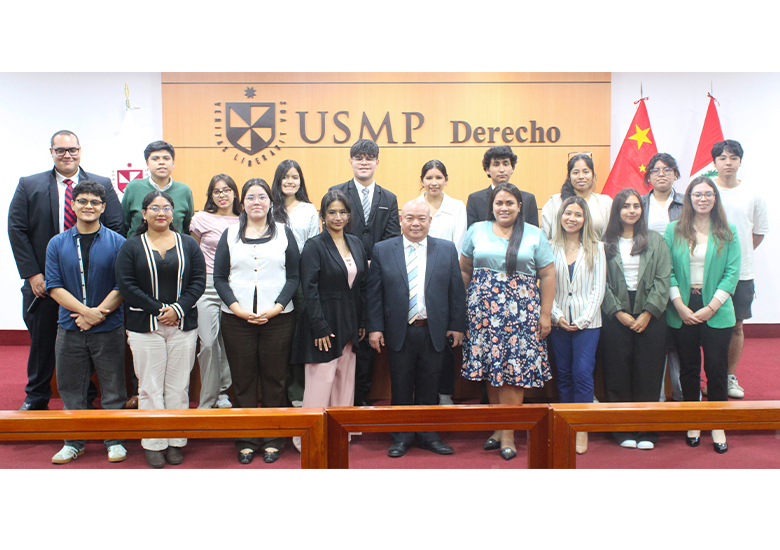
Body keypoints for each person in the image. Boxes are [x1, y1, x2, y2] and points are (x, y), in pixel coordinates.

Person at [8, 129, 124, 411]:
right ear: (51, 152)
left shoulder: (100, 184)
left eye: (72, 149)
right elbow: (17, 229)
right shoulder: (29, 184)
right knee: (43, 342)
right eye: (60, 150)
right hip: (45, 280)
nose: (67, 155)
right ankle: (36, 397)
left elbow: (116, 226)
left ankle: (85, 398)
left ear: (80, 151)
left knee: (89, 339)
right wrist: (33, 274)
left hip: (95, 281)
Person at [461, 182, 555, 460]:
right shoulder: (476, 230)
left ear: (519, 206)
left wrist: (545, 314)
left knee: (513, 373)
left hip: (521, 314)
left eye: (509, 203)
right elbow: (464, 270)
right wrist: (461, 309)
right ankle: (499, 427)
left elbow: (548, 274)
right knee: (492, 370)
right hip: (483, 314)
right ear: (492, 206)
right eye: (499, 203)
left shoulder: (535, 234)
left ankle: (509, 433)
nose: (504, 208)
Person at [368, 199, 466, 458]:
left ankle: (427, 434)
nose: (415, 223)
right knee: (400, 385)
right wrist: (375, 328)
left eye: (422, 218)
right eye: (410, 218)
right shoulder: (383, 249)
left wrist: (457, 326)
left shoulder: (446, 249)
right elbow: (374, 294)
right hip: (398, 331)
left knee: (429, 385)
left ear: (430, 221)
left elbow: (456, 292)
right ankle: (401, 436)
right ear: (401, 219)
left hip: (433, 330)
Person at [115, 191, 206, 468]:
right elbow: (126, 285)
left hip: (182, 324)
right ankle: (154, 443)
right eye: (154, 208)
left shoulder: (188, 244)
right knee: (149, 387)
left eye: (166, 207)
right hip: (144, 327)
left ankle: (176, 440)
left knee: (179, 386)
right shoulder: (131, 247)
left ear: (173, 213)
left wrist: (177, 309)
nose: (161, 213)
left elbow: (198, 281)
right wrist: (159, 310)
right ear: (144, 214)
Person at [213, 178, 300, 465]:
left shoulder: (285, 233)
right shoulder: (229, 234)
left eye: (262, 197)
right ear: (243, 203)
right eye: (250, 197)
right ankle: (247, 440)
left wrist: (277, 307)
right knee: (243, 381)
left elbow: (294, 276)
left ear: (271, 202)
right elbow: (219, 278)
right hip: (236, 320)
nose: (256, 202)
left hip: (279, 319)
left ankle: (274, 439)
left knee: (275, 380)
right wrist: (236, 308)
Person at [45, 180, 127, 464]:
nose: (88, 206)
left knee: (113, 388)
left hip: (109, 327)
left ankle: (114, 440)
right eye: (82, 201)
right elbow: (54, 286)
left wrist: (97, 314)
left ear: (103, 207)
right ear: (73, 205)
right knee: (70, 389)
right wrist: (85, 313)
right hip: (70, 328)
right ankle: (73, 442)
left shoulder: (118, 243)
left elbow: (121, 286)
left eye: (94, 202)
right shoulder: (57, 243)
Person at [665, 177, 740, 454]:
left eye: (708, 194)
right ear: (689, 198)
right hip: (683, 306)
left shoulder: (728, 230)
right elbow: (668, 270)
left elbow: (732, 272)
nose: (703, 199)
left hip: (716, 308)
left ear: (715, 198)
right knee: (689, 367)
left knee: (717, 369)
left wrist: (712, 307)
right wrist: (679, 305)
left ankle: (717, 423)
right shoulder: (674, 229)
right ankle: (694, 419)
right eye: (697, 194)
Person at [291, 191, 368, 452]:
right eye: (332, 212)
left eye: (342, 212)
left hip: (350, 321)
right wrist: (319, 326)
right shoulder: (314, 245)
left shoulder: (355, 242)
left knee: (345, 381)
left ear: (349, 215)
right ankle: (309, 438)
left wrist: (361, 321)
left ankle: (339, 435)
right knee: (320, 383)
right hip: (322, 322)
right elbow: (309, 289)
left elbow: (361, 286)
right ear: (322, 216)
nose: (338, 217)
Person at [329, 139, 401, 406]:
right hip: (344, 279)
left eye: (369, 158)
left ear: (377, 162)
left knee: (370, 338)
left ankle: (361, 399)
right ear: (350, 161)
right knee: (346, 338)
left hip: (377, 280)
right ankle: (341, 401)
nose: (364, 162)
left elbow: (392, 238)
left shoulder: (389, 198)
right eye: (358, 157)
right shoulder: (336, 192)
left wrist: (375, 263)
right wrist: (357, 262)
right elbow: (332, 233)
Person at [601, 188, 671, 450]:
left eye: (636, 206)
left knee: (649, 371)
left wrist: (647, 313)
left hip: (651, 313)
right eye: (625, 206)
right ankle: (621, 429)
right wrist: (618, 312)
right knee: (617, 370)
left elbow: (663, 279)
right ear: (616, 210)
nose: (631, 211)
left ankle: (647, 429)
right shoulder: (604, 241)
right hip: (614, 313)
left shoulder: (655, 240)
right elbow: (599, 281)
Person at [547, 196, 606, 454]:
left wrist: (583, 319)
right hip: (558, 321)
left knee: (582, 372)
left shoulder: (596, 247)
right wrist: (556, 315)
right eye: (568, 213)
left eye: (578, 214)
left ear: (585, 219)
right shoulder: (549, 247)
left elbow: (599, 287)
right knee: (563, 374)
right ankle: (566, 423)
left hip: (588, 323)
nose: (572, 218)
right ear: (560, 216)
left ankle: (581, 427)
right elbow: (545, 284)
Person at [711, 140, 769, 399]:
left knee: (736, 326)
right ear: (714, 162)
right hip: (707, 272)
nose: (728, 163)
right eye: (723, 158)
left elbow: (758, 234)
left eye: (733, 158)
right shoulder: (706, 190)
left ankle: (728, 376)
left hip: (742, 273)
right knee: (704, 327)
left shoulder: (752, 194)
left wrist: (736, 257)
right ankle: (708, 376)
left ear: (740, 162)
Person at [417, 159, 467, 406]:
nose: (434, 182)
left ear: (446, 180)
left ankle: (445, 393)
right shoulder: (415, 206)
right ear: (422, 181)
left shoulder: (457, 207)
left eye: (438, 177)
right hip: (418, 283)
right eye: (429, 178)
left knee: (445, 342)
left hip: (446, 282)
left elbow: (459, 245)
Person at [271, 159, 320, 407]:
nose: (290, 181)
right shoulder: (269, 208)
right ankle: (278, 393)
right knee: (278, 337)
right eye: (285, 177)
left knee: (300, 335)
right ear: (278, 180)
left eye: (295, 177)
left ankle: (299, 392)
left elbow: (313, 246)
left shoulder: (309, 210)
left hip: (300, 279)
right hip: (273, 278)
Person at [189, 174, 240, 410]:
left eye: (227, 190)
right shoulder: (201, 218)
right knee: (209, 343)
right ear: (211, 195)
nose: (222, 195)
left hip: (235, 285)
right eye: (217, 191)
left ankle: (222, 393)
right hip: (207, 284)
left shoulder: (244, 219)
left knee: (228, 343)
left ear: (235, 193)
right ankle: (208, 398)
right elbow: (192, 253)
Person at [641, 153, 685, 403]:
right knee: (655, 339)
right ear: (648, 176)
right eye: (655, 170)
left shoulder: (687, 203)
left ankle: (682, 394)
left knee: (680, 338)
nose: (661, 174)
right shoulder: (639, 203)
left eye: (667, 170)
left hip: (679, 275)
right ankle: (655, 398)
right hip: (649, 278)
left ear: (675, 174)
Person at [122, 140, 194, 238]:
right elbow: (123, 225)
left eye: (166, 158)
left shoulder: (184, 191)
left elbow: (187, 229)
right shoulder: (133, 187)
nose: (161, 162)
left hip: (174, 246)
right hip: (137, 246)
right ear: (147, 164)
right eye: (155, 159)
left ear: (173, 163)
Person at [542, 153, 613, 240]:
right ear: (569, 177)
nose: (581, 177)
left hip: (595, 249)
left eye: (586, 172)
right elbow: (544, 238)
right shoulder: (554, 202)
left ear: (593, 175)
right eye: (576, 173)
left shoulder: (605, 203)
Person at [466, 145, 539, 228]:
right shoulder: (475, 199)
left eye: (506, 164)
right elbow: (471, 232)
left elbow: (534, 233)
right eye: (496, 165)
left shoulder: (528, 199)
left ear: (512, 168)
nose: (502, 170)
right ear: (487, 170)